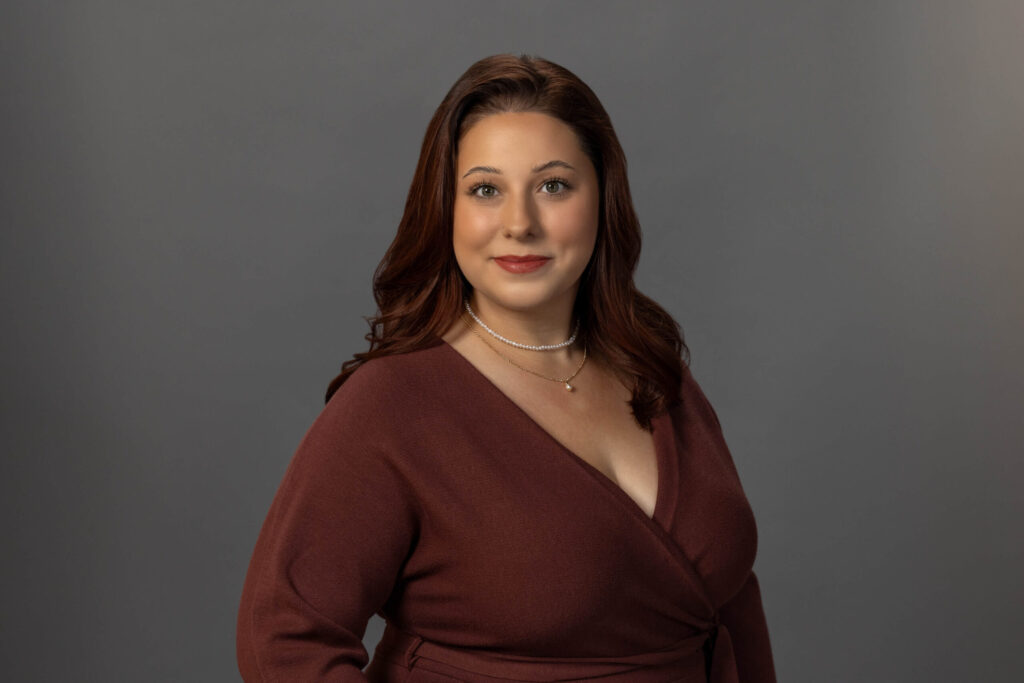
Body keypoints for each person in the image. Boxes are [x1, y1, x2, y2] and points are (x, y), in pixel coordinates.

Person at [236, 53, 777, 682]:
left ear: (603, 200)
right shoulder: (390, 405)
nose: (520, 224)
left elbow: (731, 605)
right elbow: (284, 641)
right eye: (485, 190)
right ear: (447, 208)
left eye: (553, 186)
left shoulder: (657, 372)